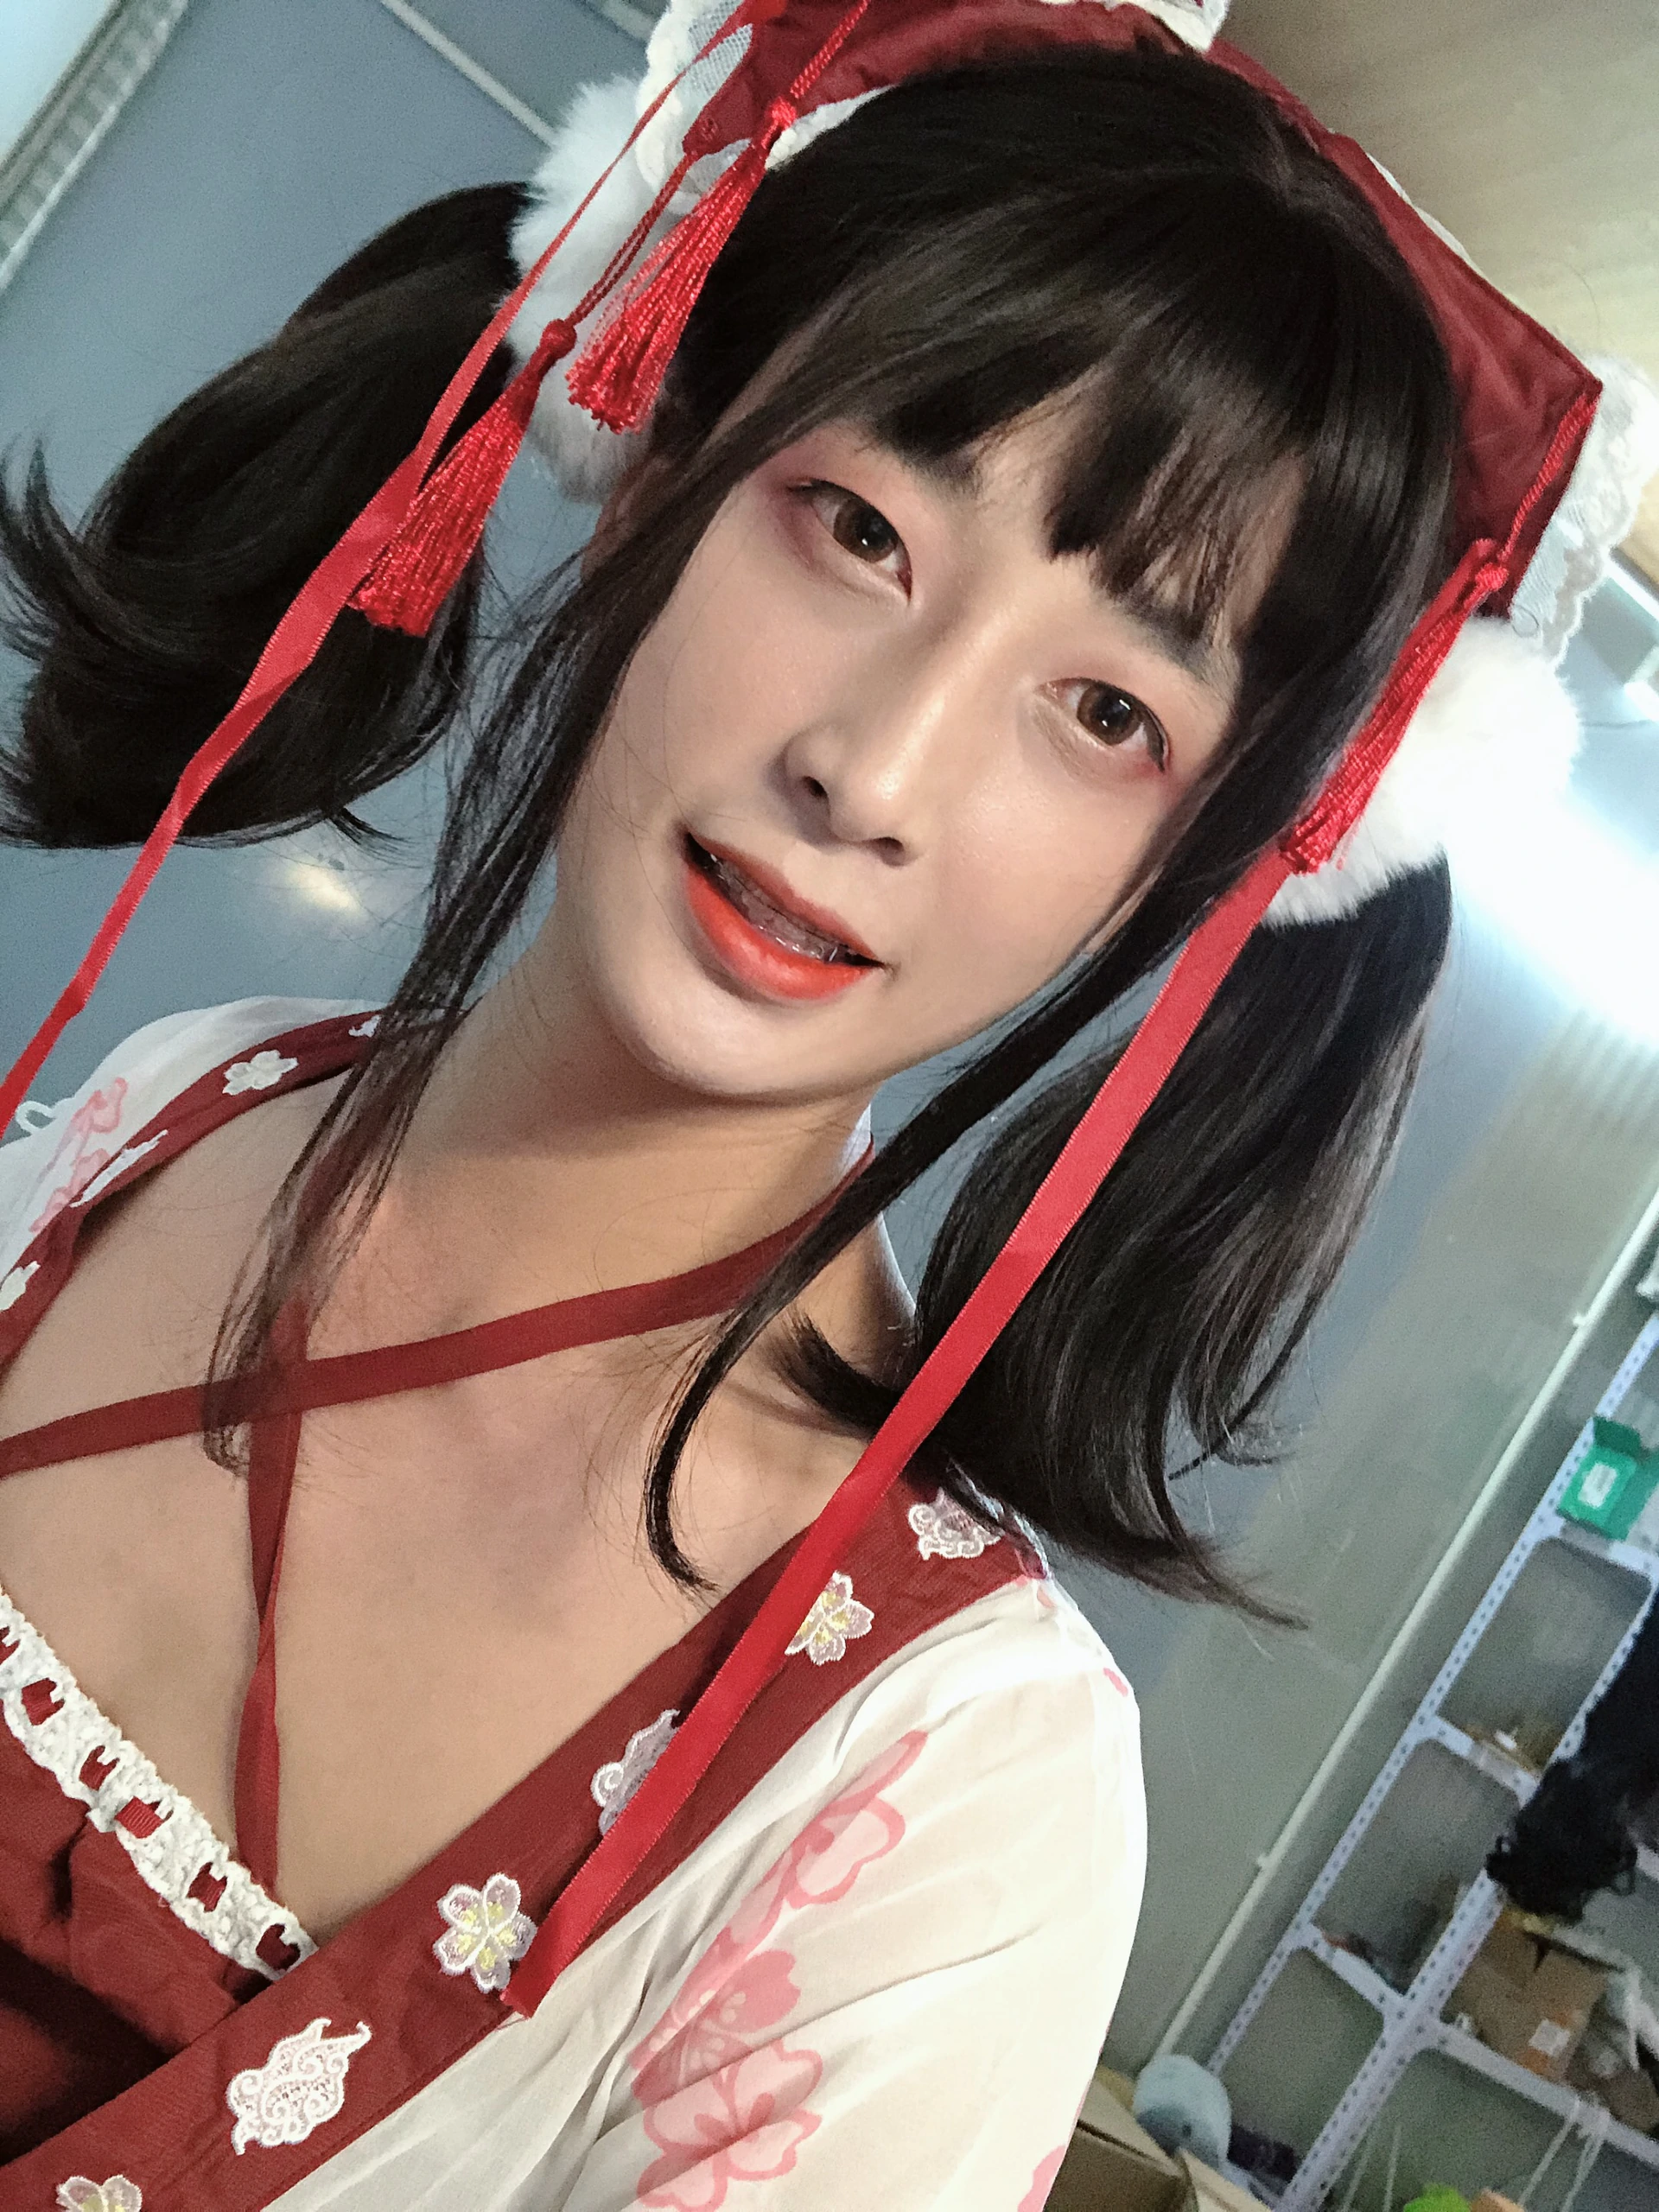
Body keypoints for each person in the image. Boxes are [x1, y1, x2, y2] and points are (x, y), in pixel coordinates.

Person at [0, 1, 1643, 2203]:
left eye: (1105, 709)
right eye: (859, 529)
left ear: (1191, 869)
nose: (876, 768)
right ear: (653, 457)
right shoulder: (166, 1111)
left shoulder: (946, 1805)